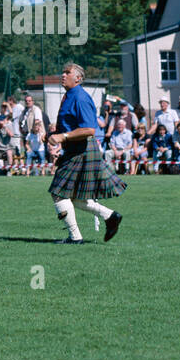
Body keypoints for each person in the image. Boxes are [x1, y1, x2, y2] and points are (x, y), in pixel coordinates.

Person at [47, 62, 127, 244]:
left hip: (82, 149)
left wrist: (63, 137)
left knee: (59, 193)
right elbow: (68, 126)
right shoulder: (69, 96)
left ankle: (75, 238)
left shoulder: (80, 97)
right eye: (63, 71)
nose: (63, 75)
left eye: (67, 72)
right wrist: (53, 135)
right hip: (75, 149)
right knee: (73, 197)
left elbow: (89, 129)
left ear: (78, 78)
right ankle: (110, 216)